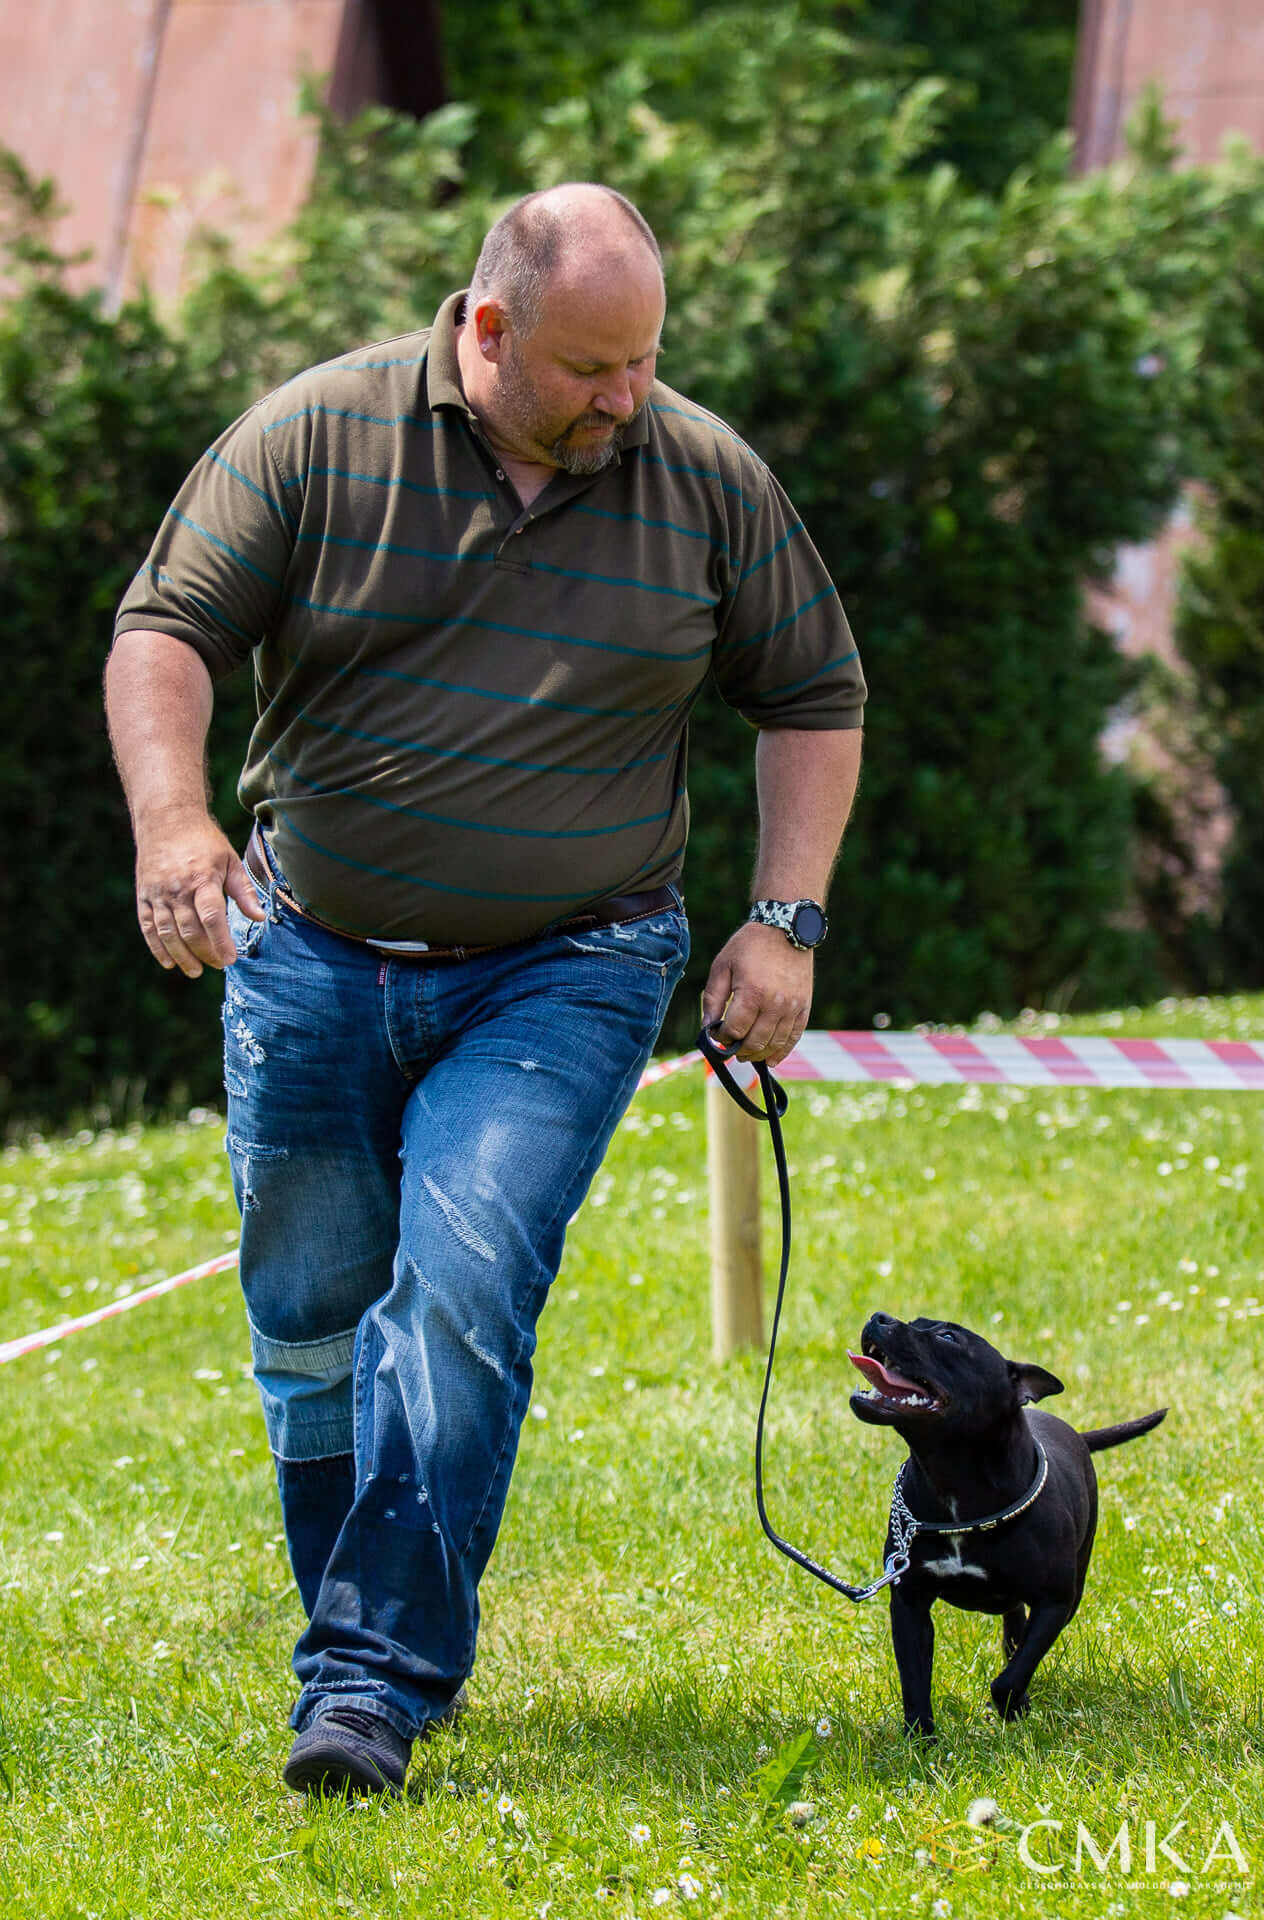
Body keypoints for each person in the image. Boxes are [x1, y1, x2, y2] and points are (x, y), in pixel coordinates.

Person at [105, 182, 865, 1797]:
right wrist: (175, 824)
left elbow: (811, 689)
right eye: (596, 368)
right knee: (312, 1322)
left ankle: (371, 1683)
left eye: (648, 360)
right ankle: (363, 1630)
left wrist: (782, 918)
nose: (630, 398)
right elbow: (167, 624)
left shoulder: (701, 475)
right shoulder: (315, 438)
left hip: (571, 966)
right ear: (490, 329)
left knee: (457, 1292)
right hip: (308, 954)